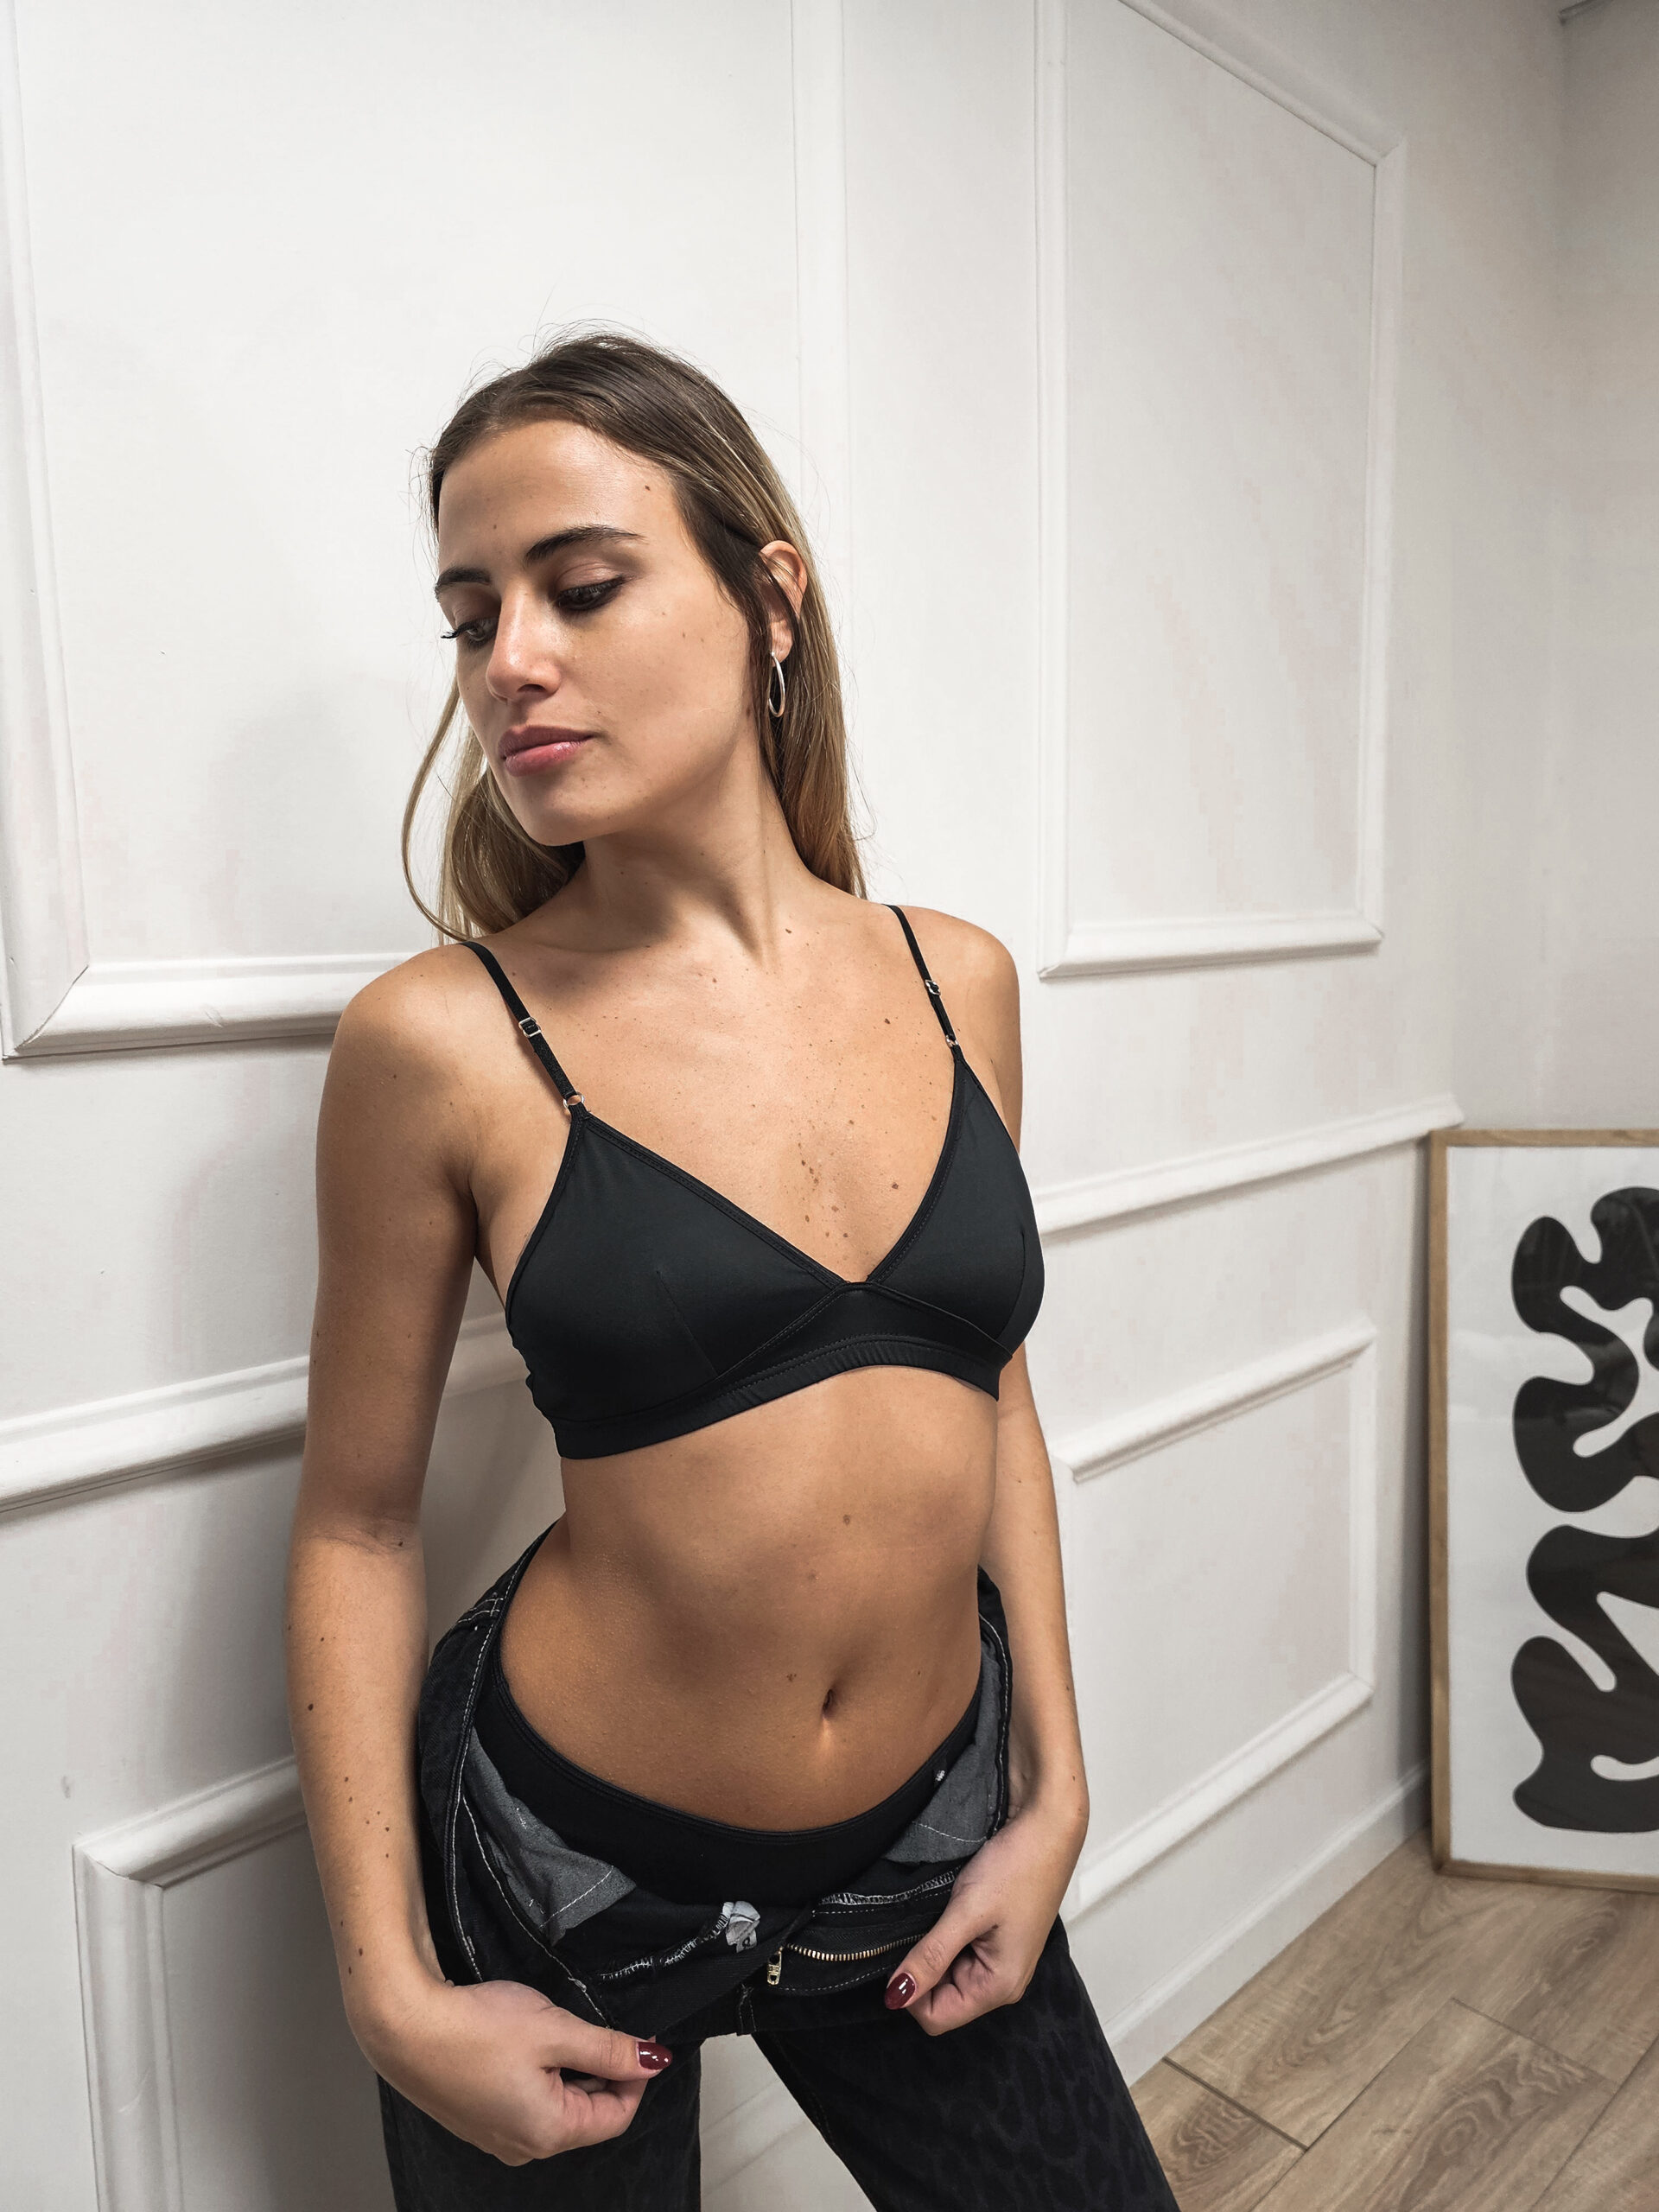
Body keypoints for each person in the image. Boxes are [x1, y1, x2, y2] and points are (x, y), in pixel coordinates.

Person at [285, 328, 1177, 2210]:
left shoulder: (959, 977)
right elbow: (358, 1526)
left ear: (770, 598)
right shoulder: (441, 1040)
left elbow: (994, 1400)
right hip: (560, 1871)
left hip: (932, 1828)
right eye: (471, 617)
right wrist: (390, 1991)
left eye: (583, 586)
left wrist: (1054, 1789)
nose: (509, 660)